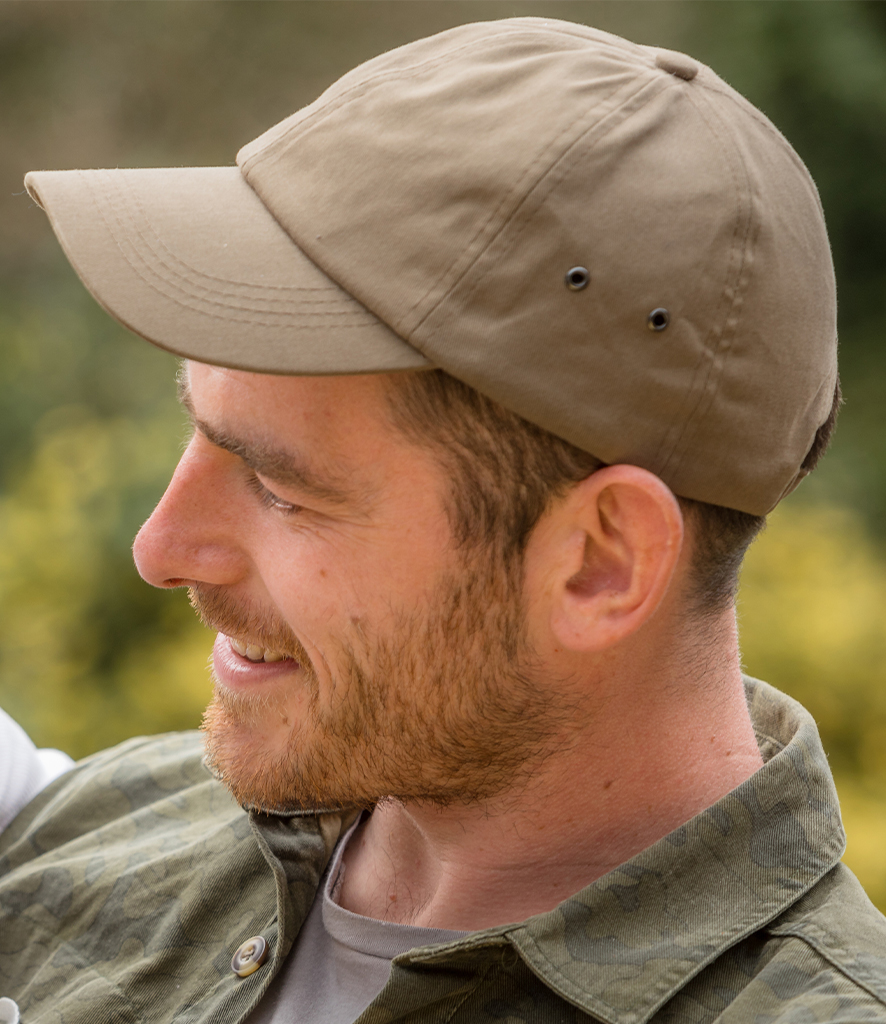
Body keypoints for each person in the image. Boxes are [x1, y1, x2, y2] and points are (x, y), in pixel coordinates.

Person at [2, 16, 885, 1024]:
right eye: (196, 429)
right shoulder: (69, 832)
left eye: (282, 487)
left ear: (598, 562)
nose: (160, 549)